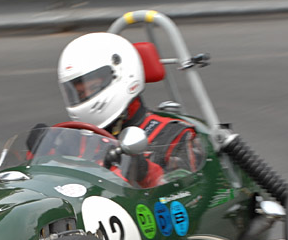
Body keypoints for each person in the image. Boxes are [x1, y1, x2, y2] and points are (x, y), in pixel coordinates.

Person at [56, 32, 199, 187]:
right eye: (80, 94)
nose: (86, 97)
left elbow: (186, 193)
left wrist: (144, 170)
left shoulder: (171, 135)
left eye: (93, 87)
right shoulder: (74, 140)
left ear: (122, 74)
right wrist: (37, 156)